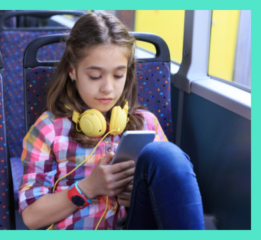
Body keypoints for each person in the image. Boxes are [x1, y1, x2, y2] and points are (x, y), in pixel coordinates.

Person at [18, 12, 205, 230]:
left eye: (118, 75)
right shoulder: (49, 129)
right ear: (72, 70)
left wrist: (136, 194)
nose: (107, 88)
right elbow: (31, 217)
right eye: (95, 76)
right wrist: (88, 188)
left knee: (166, 155)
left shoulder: (145, 124)